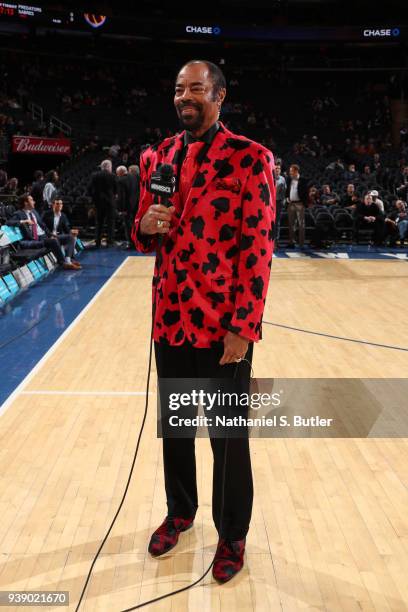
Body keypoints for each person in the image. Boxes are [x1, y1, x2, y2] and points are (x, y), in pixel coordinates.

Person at [132, 59, 276, 584]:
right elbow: (144, 231)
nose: (184, 96)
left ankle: (232, 535)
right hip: (169, 317)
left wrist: (245, 325)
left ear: (219, 97)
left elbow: (259, 248)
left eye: (195, 88)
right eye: (178, 89)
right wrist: (144, 225)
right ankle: (180, 512)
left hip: (222, 326)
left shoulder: (250, 159)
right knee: (176, 428)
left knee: (227, 437)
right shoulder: (157, 157)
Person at [7, 193, 80, 270]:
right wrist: (24, 221)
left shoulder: (34, 212)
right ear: (26, 203)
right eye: (31, 200)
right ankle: (63, 263)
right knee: (53, 241)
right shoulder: (19, 214)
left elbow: (43, 226)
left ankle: (68, 260)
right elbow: (8, 222)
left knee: (70, 237)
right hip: (35, 239)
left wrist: (50, 234)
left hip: (45, 236)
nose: (34, 202)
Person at [42, 196, 81, 268]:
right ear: (53, 205)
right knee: (59, 239)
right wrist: (50, 234)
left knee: (72, 237)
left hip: (59, 236)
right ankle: (67, 262)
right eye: (57, 203)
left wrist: (71, 232)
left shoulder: (63, 215)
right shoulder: (46, 214)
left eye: (61, 204)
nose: (59, 205)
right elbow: (43, 227)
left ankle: (69, 259)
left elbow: (67, 228)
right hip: (49, 237)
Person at [88, 159, 117, 247]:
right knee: (110, 223)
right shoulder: (112, 176)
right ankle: (110, 242)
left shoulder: (94, 175)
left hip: (98, 203)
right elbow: (116, 189)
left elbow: (89, 188)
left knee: (99, 222)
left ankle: (97, 241)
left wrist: (94, 198)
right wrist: (113, 196)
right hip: (109, 203)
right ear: (108, 167)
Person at [286, 164, 308, 248]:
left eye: (291, 171)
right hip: (291, 204)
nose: (290, 172)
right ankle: (291, 242)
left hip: (300, 204)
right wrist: (287, 197)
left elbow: (306, 193)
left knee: (301, 224)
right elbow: (287, 190)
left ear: (296, 171)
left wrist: (304, 203)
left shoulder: (303, 180)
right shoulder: (289, 179)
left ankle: (301, 243)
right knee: (291, 224)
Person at [274, 162, 286, 246]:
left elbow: (284, 191)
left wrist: (283, 201)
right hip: (270, 202)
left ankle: (276, 241)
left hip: (278, 202)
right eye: (276, 168)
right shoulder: (270, 177)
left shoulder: (283, 179)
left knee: (277, 222)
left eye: (279, 168)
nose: (277, 170)